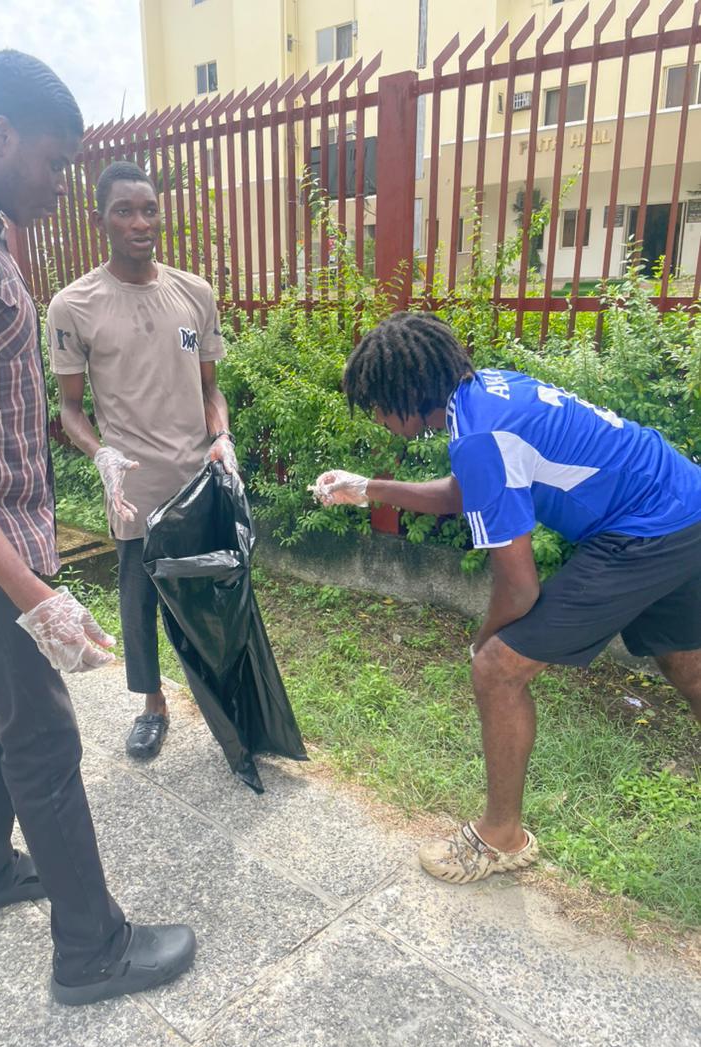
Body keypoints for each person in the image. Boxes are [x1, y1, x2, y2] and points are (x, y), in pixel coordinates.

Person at [0, 50, 195, 1006]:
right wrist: (34, 595)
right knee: (42, 731)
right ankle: (92, 950)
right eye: (55, 162)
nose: (63, 184)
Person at [313, 311, 701, 885]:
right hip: (686, 503)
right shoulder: (488, 390)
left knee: (497, 670)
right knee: (686, 662)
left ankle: (501, 838)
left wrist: (483, 643)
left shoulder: (478, 436)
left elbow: (519, 587)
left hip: (645, 533)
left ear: (405, 396)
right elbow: (468, 491)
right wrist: (368, 488)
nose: (376, 417)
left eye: (375, 405)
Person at [46, 160, 235, 762]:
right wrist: (100, 453)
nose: (139, 222)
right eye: (124, 211)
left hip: (195, 479)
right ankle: (153, 706)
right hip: (134, 486)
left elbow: (211, 390)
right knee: (141, 600)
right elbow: (70, 409)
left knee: (208, 596)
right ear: (99, 220)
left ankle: (222, 701)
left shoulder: (194, 293)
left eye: (149, 209)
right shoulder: (74, 305)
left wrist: (222, 436)